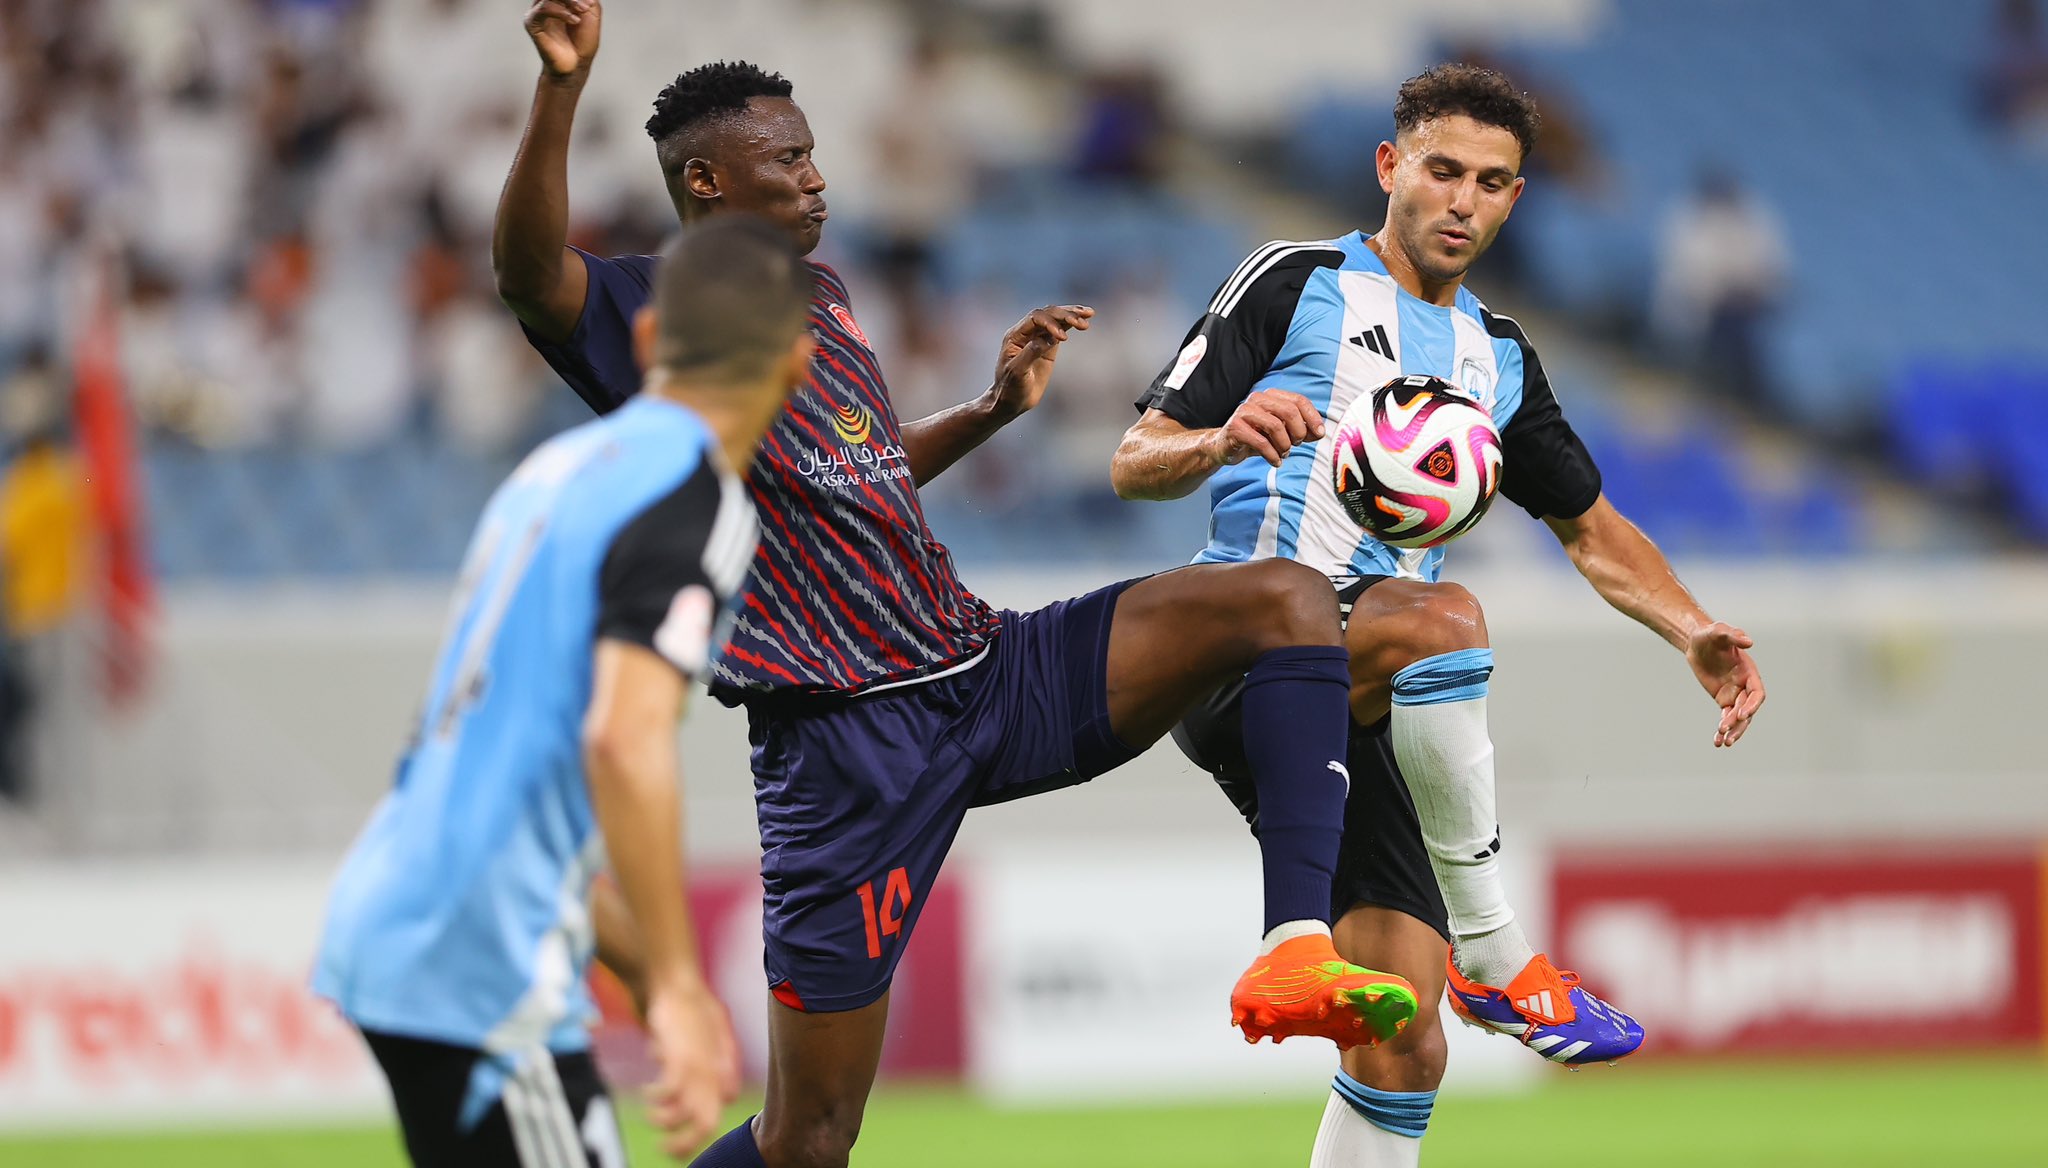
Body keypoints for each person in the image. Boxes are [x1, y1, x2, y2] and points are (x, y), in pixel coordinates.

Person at [494, 4, 1420, 1165]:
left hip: (985, 669)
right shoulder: (645, 310)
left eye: (812, 150)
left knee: (1280, 598)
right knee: (809, 1137)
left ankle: (1293, 945)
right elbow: (527, 273)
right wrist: (560, 88)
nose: (818, 178)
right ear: (706, 182)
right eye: (787, 159)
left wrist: (988, 411)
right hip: (844, 757)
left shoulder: (821, 299)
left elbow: (865, 468)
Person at [1113, 64, 1767, 1166]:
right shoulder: (1294, 281)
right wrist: (1221, 438)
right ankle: (1500, 953)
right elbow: (1137, 461)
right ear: (1389, 168)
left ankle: (1464, 971)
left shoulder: (1498, 359)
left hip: (1363, 694)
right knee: (1447, 612)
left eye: (1493, 183)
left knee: (1401, 1038)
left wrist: (1687, 625)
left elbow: (1590, 528)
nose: (1463, 201)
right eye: (1442, 171)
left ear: (1516, 199)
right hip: (1238, 642)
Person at [312, 216, 816, 1166]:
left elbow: (518, 769)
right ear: (794, 368)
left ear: (646, 342)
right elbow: (622, 741)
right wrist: (672, 987)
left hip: (401, 911)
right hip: (481, 962)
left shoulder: (549, 476)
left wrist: (650, 972)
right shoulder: (697, 499)